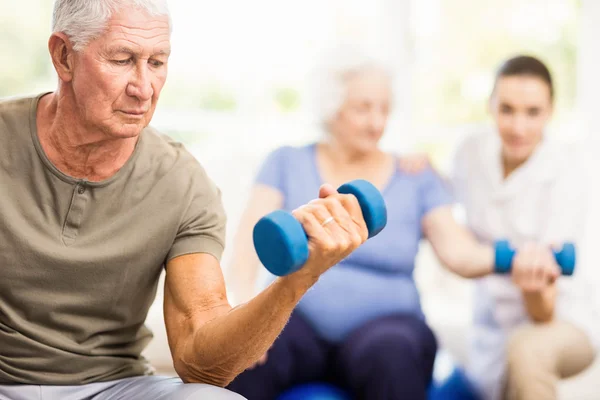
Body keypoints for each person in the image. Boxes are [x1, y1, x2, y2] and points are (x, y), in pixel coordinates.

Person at [0, 1, 377, 399]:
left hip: (114, 387)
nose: (143, 88)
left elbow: (201, 362)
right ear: (64, 56)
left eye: (157, 62)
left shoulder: (183, 183)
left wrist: (298, 279)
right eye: (123, 59)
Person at [225, 47, 545, 400]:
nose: (377, 123)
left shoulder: (414, 175)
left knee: (393, 354)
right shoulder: (286, 162)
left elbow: (459, 253)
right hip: (296, 321)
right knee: (246, 356)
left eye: (384, 109)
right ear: (330, 108)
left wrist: (516, 258)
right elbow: (244, 253)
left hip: (388, 329)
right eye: (363, 108)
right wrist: (246, 314)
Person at [450, 55, 599, 400]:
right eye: (507, 109)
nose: (518, 127)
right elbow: (443, 205)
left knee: (526, 350)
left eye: (533, 112)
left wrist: (533, 284)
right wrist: (417, 164)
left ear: (550, 112)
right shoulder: (469, 151)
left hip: (561, 316)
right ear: (490, 106)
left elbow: (543, 311)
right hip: (488, 327)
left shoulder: (569, 172)